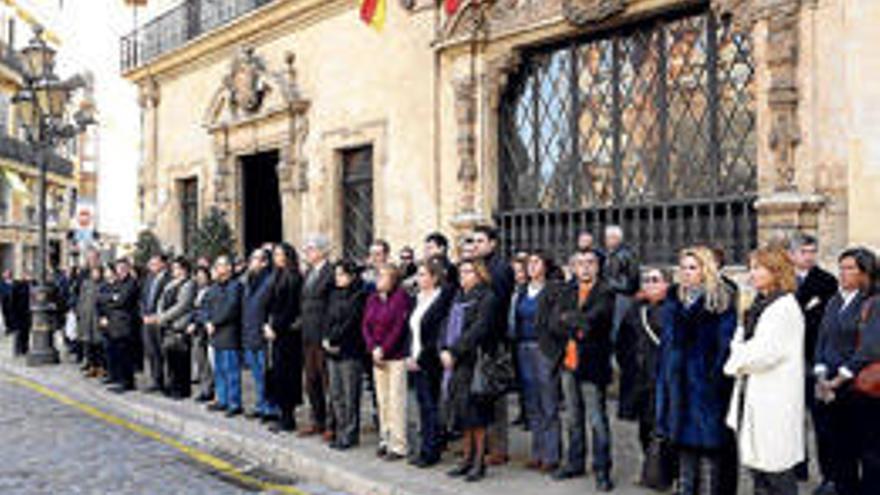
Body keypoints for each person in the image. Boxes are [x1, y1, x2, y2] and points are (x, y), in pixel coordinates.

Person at [656, 246, 737, 495]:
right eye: (683, 268)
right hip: (677, 386)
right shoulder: (674, 300)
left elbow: (725, 348)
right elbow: (667, 348)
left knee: (708, 455)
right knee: (683, 454)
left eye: (692, 267)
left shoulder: (720, 301)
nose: (686, 273)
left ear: (706, 269)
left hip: (706, 389)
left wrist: (712, 381)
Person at [724, 247, 805, 495]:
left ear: (776, 271)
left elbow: (761, 355)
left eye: (758, 267)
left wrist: (736, 355)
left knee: (776, 473)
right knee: (759, 472)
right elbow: (744, 342)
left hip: (773, 399)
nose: (752, 273)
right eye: (751, 267)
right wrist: (740, 349)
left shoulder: (782, 308)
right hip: (753, 395)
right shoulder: (760, 303)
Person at [813, 247, 876, 495]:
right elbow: (822, 340)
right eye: (841, 267)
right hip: (831, 388)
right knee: (840, 451)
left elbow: (870, 348)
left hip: (859, 389)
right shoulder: (834, 300)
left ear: (865, 272)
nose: (843, 273)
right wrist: (820, 375)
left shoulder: (874, 301)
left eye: (850, 268)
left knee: (869, 454)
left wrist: (838, 379)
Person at [552, 249, 615, 491]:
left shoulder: (605, 291)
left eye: (590, 263)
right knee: (573, 417)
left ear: (598, 266)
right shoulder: (567, 291)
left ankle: (602, 470)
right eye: (580, 263)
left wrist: (574, 321)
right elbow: (555, 320)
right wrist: (576, 323)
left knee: (597, 419)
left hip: (593, 364)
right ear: (572, 267)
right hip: (568, 363)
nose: (585, 268)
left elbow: (595, 320)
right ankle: (575, 463)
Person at [615, 267, 674, 490]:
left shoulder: (671, 310)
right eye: (646, 280)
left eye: (655, 280)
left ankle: (664, 474)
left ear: (667, 284)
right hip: (638, 378)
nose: (649, 284)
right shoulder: (635, 309)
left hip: (660, 378)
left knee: (661, 429)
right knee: (643, 427)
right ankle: (651, 470)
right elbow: (622, 340)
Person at [441, 259, 497, 482]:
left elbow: (479, 329)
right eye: (461, 272)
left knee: (477, 414)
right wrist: (444, 348)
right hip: (456, 362)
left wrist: (454, 351)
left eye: (468, 272)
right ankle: (466, 458)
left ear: (479, 274)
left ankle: (478, 462)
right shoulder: (458, 296)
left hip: (475, 361)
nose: (463, 276)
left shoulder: (487, 297)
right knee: (463, 412)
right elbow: (447, 325)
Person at [789, 234, 838, 487]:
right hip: (788, 362)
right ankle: (798, 467)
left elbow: (824, 323)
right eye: (804, 251)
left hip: (814, 358)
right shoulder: (784, 281)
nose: (809, 256)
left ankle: (828, 474)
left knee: (821, 421)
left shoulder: (827, 281)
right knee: (792, 418)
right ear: (792, 255)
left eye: (812, 251)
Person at [513, 251, 562, 474]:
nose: (531, 266)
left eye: (536, 262)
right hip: (523, 347)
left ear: (545, 265)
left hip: (543, 349)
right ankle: (537, 452)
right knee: (532, 401)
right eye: (529, 263)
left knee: (548, 401)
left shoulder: (552, 290)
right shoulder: (523, 290)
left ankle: (552, 455)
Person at [471, 225, 515, 466]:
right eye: (474, 240)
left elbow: (497, 306)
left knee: (495, 394)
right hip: (479, 338)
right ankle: (481, 443)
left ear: (492, 243)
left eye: (480, 240)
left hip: (494, 339)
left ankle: (499, 447)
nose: (476, 244)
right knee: (480, 394)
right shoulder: (478, 266)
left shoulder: (500, 268)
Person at [406, 258, 454, 467]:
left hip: (430, 360)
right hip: (414, 358)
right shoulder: (416, 298)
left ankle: (431, 450)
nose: (419, 278)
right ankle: (425, 446)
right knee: (422, 406)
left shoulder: (441, 299)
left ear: (434, 277)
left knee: (430, 406)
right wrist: (409, 355)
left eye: (424, 274)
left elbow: (436, 334)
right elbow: (411, 331)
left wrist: (420, 358)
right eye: (418, 274)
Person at [362, 264, 412, 461]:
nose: (378, 279)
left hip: (395, 355)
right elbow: (365, 324)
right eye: (378, 276)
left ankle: (399, 445)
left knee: (396, 400)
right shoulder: (372, 298)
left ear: (393, 279)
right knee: (382, 400)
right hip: (377, 355)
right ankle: (385, 438)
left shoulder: (401, 298)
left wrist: (384, 348)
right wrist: (373, 347)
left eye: (383, 276)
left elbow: (399, 327)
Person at [325, 260, 368, 449]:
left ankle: (351, 433)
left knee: (351, 394)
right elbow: (327, 318)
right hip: (332, 350)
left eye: (341, 275)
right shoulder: (334, 294)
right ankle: (341, 430)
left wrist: (335, 340)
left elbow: (352, 321)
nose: (337, 278)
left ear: (351, 276)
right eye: (336, 275)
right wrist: (326, 338)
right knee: (336, 394)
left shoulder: (359, 295)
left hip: (350, 349)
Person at [264, 243, 304, 433]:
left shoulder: (294, 277)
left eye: (280, 254)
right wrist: (266, 324)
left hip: (288, 334)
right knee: (278, 374)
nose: (277, 257)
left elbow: (290, 308)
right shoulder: (275, 276)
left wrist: (275, 327)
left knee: (288, 375)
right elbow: (269, 304)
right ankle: (281, 413)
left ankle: (288, 417)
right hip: (275, 331)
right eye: (275, 254)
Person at [300, 234, 334, 439]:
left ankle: (332, 423)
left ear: (322, 251)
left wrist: (328, 334)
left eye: (310, 249)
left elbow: (331, 306)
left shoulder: (330, 273)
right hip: (308, 334)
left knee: (327, 381)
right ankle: (317, 420)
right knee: (311, 380)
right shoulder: (309, 273)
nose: (307, 253)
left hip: (323, 334)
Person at [206, 255, 244, 417]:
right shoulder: (213, 287)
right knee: (219, 370)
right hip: (214, 334)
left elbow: (232, 308)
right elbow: (204, 306)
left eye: (222, 265)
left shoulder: (236, 286)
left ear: (229, 268)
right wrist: (206, 320)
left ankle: (234, 403)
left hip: (229, 333)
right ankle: (222, 399)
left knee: (231, 371)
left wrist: (214, 322)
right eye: (217, 265)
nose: (218, 268)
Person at [241, 248, 276, 420]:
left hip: (263, 333)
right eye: (251, 258)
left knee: (266, 373)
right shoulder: (249, 280)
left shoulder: (270, 281)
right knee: (256, 374)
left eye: (255, 258)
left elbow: (273, 306)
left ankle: (270, 407)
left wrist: (269, 324)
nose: (251, 262)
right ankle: (261, 404)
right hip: (250, 331)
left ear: (264, 262)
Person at [156, 256, 196, 399]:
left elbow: (182, 306)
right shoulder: (170, 284)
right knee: (170, 358)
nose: (174, 270)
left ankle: (182, 389)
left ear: (184, 269)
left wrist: (164, 317)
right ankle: (172, 385)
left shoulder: (189, 284)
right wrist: (160, 315)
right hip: (168, 325)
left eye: (176, 268)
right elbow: (161, 300)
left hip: (179, 324)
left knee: (181, 359)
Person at [99, 259, 140, 394]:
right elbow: (102, 298)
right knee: (117, 353)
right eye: (118, 268)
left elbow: (123, 300)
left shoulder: (131, 283)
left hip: (125, 323)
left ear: (128, 268)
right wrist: (112, 298)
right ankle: (118, 379)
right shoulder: (118, 282)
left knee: (125, 353)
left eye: (123, 268)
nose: (120, 271)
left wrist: (112, 299)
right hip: (114, 322)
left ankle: (127, 382)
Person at [603, 225, 640, 339]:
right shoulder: (613, 254)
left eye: (608, 237)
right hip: (615, 295)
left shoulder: (625, 255)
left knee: (618, 327)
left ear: (616, 238)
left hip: (622, 296)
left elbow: (631, 280)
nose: (606, 240)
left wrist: (609, 284)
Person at [140, 254, 171, 393]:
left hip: (161, 320)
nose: (151, 266)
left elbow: (169, 301)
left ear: (163, 264)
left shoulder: (169, 279)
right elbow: (142, 298)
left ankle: (167, 382)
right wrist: (144, 315)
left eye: (155, 263)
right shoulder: (148, 278)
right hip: (147, 320)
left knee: (163, 352)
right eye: (150, 263)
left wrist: (158, 317)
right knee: (152, 352)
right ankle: (156, 380)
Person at [188, 266, 215, 403]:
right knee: (200, 361)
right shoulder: (197, 291)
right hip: (197, 330)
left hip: (205, 330)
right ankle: (204, 388)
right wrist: (190, 321)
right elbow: (193, 310)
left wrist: (197, 322)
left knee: (207, 363)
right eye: (197, 276)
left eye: (202, 276)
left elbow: (206, 311)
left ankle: (209, 389)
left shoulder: (210, 291)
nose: (199, 278)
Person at [77, 265, 105, 378]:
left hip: (97, 318)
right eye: (94, 272)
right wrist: (79, 312)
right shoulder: (86, 284)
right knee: (88, 344)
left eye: (97, 272)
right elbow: (81, 299)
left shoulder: (103, 284)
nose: (95, 274)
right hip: (86, 318)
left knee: (99, 344)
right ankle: (91, 366)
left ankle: (100, 367)